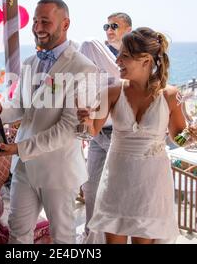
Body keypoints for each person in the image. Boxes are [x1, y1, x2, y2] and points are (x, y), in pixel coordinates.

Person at [0, 0, 98, 244]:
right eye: (35, 21)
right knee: (18, 232)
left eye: (45, 21)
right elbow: (22, 108)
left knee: (62, 236)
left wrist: (20, 147)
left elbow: (67, 129)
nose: (37, 27)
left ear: (65, 24)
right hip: (24, 169)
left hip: (58, 171)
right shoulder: (31, 62)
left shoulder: (84, 68)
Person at [77, 27, 197, 244]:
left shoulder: (171, 96)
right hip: (116, 180)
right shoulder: (112, 92)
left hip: (151, 184)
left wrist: (192, 135)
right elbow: (92, 131)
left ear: (145, 60)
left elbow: (177, 138)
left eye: (124, 55)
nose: (117, 60)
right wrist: (85, 121)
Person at [78, 13, 132, 234]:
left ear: (128, 29)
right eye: (106, 26)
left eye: (114, 26)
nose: (108, 30)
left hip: (119, 135)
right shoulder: (97, 55)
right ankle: (91, 234)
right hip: (96, 132)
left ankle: (119, 233)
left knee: (118, 189)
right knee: (90, 187)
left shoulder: (132, 59)